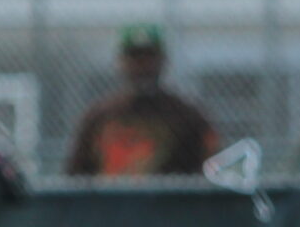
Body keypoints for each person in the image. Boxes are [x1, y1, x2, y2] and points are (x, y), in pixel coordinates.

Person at [64, 24, 219, 178]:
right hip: (110, 201)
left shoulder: (185, 116)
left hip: (167, 202)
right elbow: (76, 172)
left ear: (162, 60)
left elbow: (212, 164)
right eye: (135, 58)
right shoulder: (101, 116)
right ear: (122, 62)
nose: (143, 66)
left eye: (149, 57)